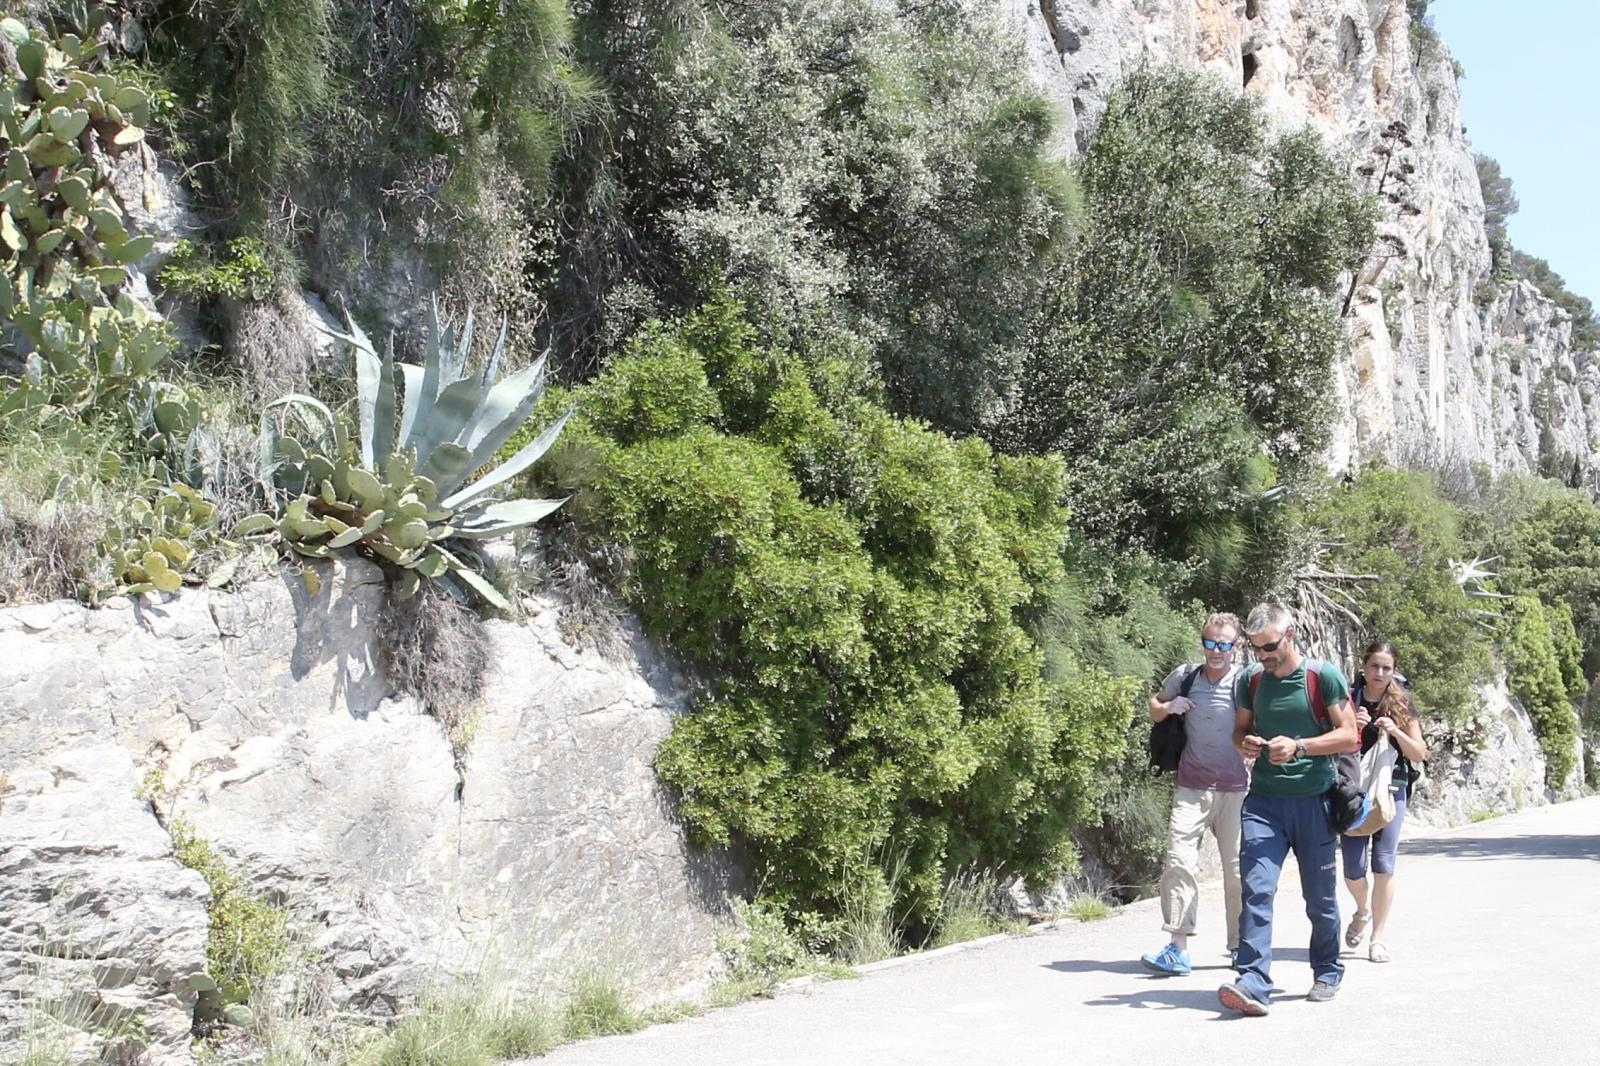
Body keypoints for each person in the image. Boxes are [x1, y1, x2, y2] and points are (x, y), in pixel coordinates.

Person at [1217, 603, 1358, 1017]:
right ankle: (1253, 981)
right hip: (1263, 803)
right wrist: (1244, 744)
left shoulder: (1321, 676)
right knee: (1257, 888)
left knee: (1319, 898)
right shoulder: (1251, 680)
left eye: (1271, 646)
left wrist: (1299, 747)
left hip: (1313, 802)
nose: (1265, 656)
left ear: (1291, 633)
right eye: (1257, 649)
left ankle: (1328, 969)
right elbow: (1239, 730)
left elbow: (1348, 734)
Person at [1140, 613, 1249, 976]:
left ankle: (1240, 946)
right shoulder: (1185, 676)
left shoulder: (1249, 682)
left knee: (1237, 872)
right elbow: (1154, 707)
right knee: (1179, 861)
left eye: (1224, 645)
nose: (1216, 651)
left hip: (1237, 790)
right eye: (1210, 643)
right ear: (1203, 642)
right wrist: (1169, 707)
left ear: (1237, 646)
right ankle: (1178, 945)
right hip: (1191, 785)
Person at [1340, 641, 1428, 964]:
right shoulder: (1348, 698)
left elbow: (1420, 752)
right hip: (1352, 790)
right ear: (1363, 666)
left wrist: (1395, 732)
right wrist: (1355, 727)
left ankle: (1377, 938)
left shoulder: (1402, 703)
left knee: (1384, 863)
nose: (1379, 673)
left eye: (1386, 668)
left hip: (1392, 788)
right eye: (1375, 666)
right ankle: (1362, 909)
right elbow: (1332, 742)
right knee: (1352, 868)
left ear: (1394, 670)